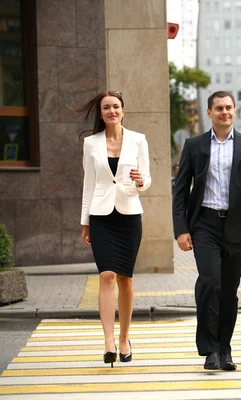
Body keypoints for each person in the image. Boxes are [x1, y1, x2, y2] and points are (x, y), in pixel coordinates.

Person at [172, 91, 241, 371]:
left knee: (229, 290)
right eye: (218, 108)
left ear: (235, 111)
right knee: (210, 281)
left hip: (238, 225)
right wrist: (181, 229)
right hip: (204, 224)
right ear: (209, 113)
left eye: (228, 107)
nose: (224, 112)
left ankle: (225, 348)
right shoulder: (195, 145)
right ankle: (210, 349)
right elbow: (180, 190)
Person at [76, 90, 151, 367]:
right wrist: (85, 222)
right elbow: (88, 184)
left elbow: (146, 182)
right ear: (101, 113)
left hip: (129, 215)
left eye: (116, 107)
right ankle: (108, 341)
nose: (112, 111)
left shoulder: (138, 140)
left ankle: (124, 338)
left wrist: (140, 180)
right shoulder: (91, 143)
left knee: (125, 280)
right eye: (106, 107)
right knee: (106, 275)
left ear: (123, 110)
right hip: (101, 216)